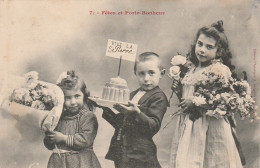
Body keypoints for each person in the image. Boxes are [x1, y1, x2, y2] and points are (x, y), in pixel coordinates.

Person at [169, 21, 244, 168]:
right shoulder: (191, 69)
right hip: (190, 125)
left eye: (209, 47)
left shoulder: (218, 70)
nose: (202, 50)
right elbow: (186, 98)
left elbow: (223, 99)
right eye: (200, 44)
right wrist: (179, 91)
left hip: (210, 125)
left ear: (219, 52)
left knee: (212, 158)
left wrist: (197, 102)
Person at [101, 52, 169, 168]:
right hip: (122, 150)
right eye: (141, 74)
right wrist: (104, 108)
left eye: (151, 73)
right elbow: (121, 123)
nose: (146, 79)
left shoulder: (159, 97)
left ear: (161, 73)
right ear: (135, 74)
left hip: (140, 154)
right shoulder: (132, 94)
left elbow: (153, 126)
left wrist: (137, 113)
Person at [43, 70, 101, 168]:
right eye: (68, 98)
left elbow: (85, 140)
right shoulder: (58, 117)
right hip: (59, 162)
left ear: (84, 96)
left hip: (81, 162)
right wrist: (50, 139)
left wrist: (63, 138)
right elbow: (50, 145)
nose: (73, 102)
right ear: (61, 99)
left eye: (77, 96)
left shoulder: (87, 116)